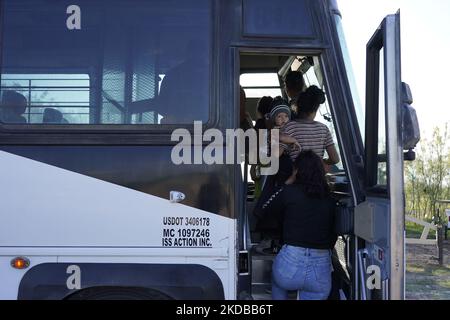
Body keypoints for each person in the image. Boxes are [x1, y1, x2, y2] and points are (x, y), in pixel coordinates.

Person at [261, 150, 337, 300]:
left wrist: (286, 183)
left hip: (290, 263)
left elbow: (265, 209)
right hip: (320, 267)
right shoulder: (329, 199)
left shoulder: (288, 192)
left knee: (278, 282)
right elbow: (333, 233)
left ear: (297, 171)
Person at [281, 85, 340, 167]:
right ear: (315, 109)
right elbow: (335, 159)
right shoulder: (324, 129)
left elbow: (276, 155)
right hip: (316, 178)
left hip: (296, 178)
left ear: (298, 107)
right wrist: (321, 162)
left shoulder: (289, 127)